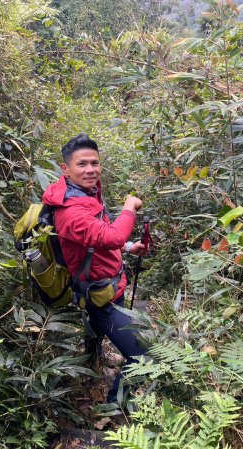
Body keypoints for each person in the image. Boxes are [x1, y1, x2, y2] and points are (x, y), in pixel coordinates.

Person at [42, 133, 147, 403]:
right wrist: (129, 208)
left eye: (95, 163)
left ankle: (92, 364)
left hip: (111, 286)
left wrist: (127, 248)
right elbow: (112, 236)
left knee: (97, 334)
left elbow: (96, 239)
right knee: (142, 356)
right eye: (82, 164)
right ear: (65, 169)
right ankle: (114, 409)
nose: (90, 170)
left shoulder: (85, 192)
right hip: (100, 298)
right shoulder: (69, 210)